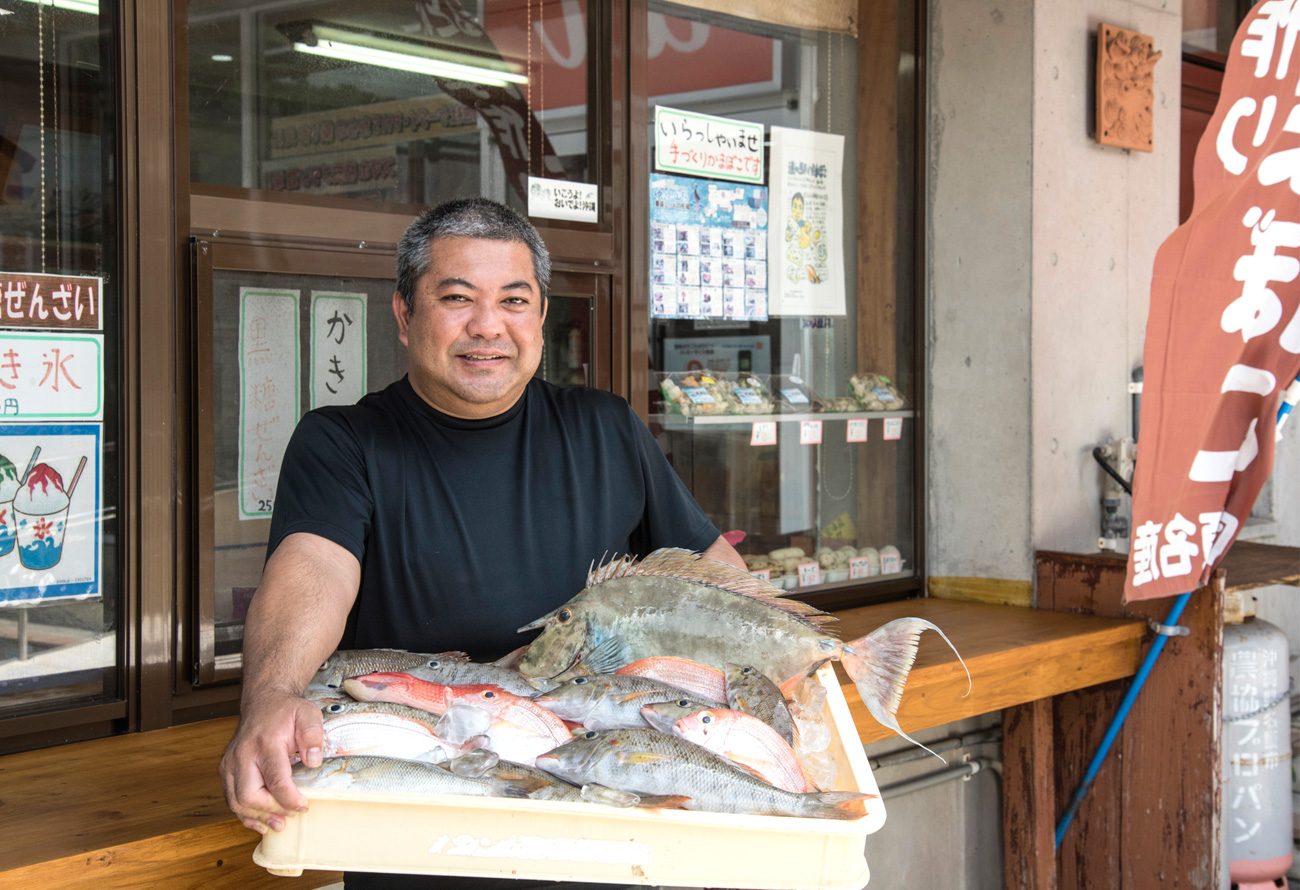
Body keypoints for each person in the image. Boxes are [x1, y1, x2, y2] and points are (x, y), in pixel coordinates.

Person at [219, 197, 744, 889]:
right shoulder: (344, 441)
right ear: (405, 316)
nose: (487, 326)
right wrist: (272, 694)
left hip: (605, 805)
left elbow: (717, 578)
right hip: (437, 819)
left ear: (541, 317)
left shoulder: (605, 428)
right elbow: (314, 567)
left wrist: (778, 662)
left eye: (514, 301)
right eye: (457, 298)